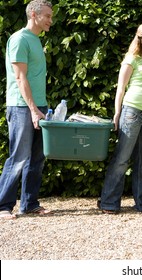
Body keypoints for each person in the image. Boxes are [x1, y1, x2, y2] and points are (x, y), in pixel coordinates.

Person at [98, 22, 142, 214]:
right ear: (140, 39)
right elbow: (120, 88)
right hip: (131, 112)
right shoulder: (131, 59)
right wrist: (117, 113)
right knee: (122, 159)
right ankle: (109, 202)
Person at [0, 0, 53, 220]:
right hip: (22, 107)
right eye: (48, 16)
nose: (51, 20)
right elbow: (20, 78)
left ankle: (29, 203)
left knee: (37, 158)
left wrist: (41, 107)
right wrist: (32, 109)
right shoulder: (19, 39)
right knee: (19, 157)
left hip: (38, 106)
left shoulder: (35, 40)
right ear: (33, 14)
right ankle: (3, 205)